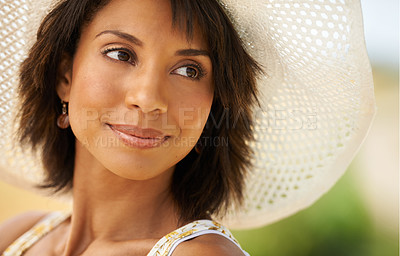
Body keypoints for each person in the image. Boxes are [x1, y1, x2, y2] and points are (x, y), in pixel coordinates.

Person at [0, 0, 375, 255]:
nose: (148, 98)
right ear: (65, 75)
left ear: (214, 107)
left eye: (189, 70)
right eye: (120, 53)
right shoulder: (20, 235)